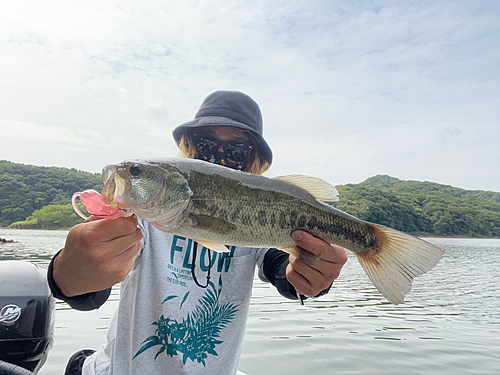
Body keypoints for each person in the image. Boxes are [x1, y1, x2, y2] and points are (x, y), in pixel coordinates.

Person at [48, 90, 348, 375]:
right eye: (206, 143)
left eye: (236, 149)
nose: (218, 155)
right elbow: (88, 291)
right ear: (189, 148)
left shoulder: (254, 220)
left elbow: (284, 271)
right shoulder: (140, 217)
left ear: (252, 160)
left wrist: (313, 275)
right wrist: (68, 273)